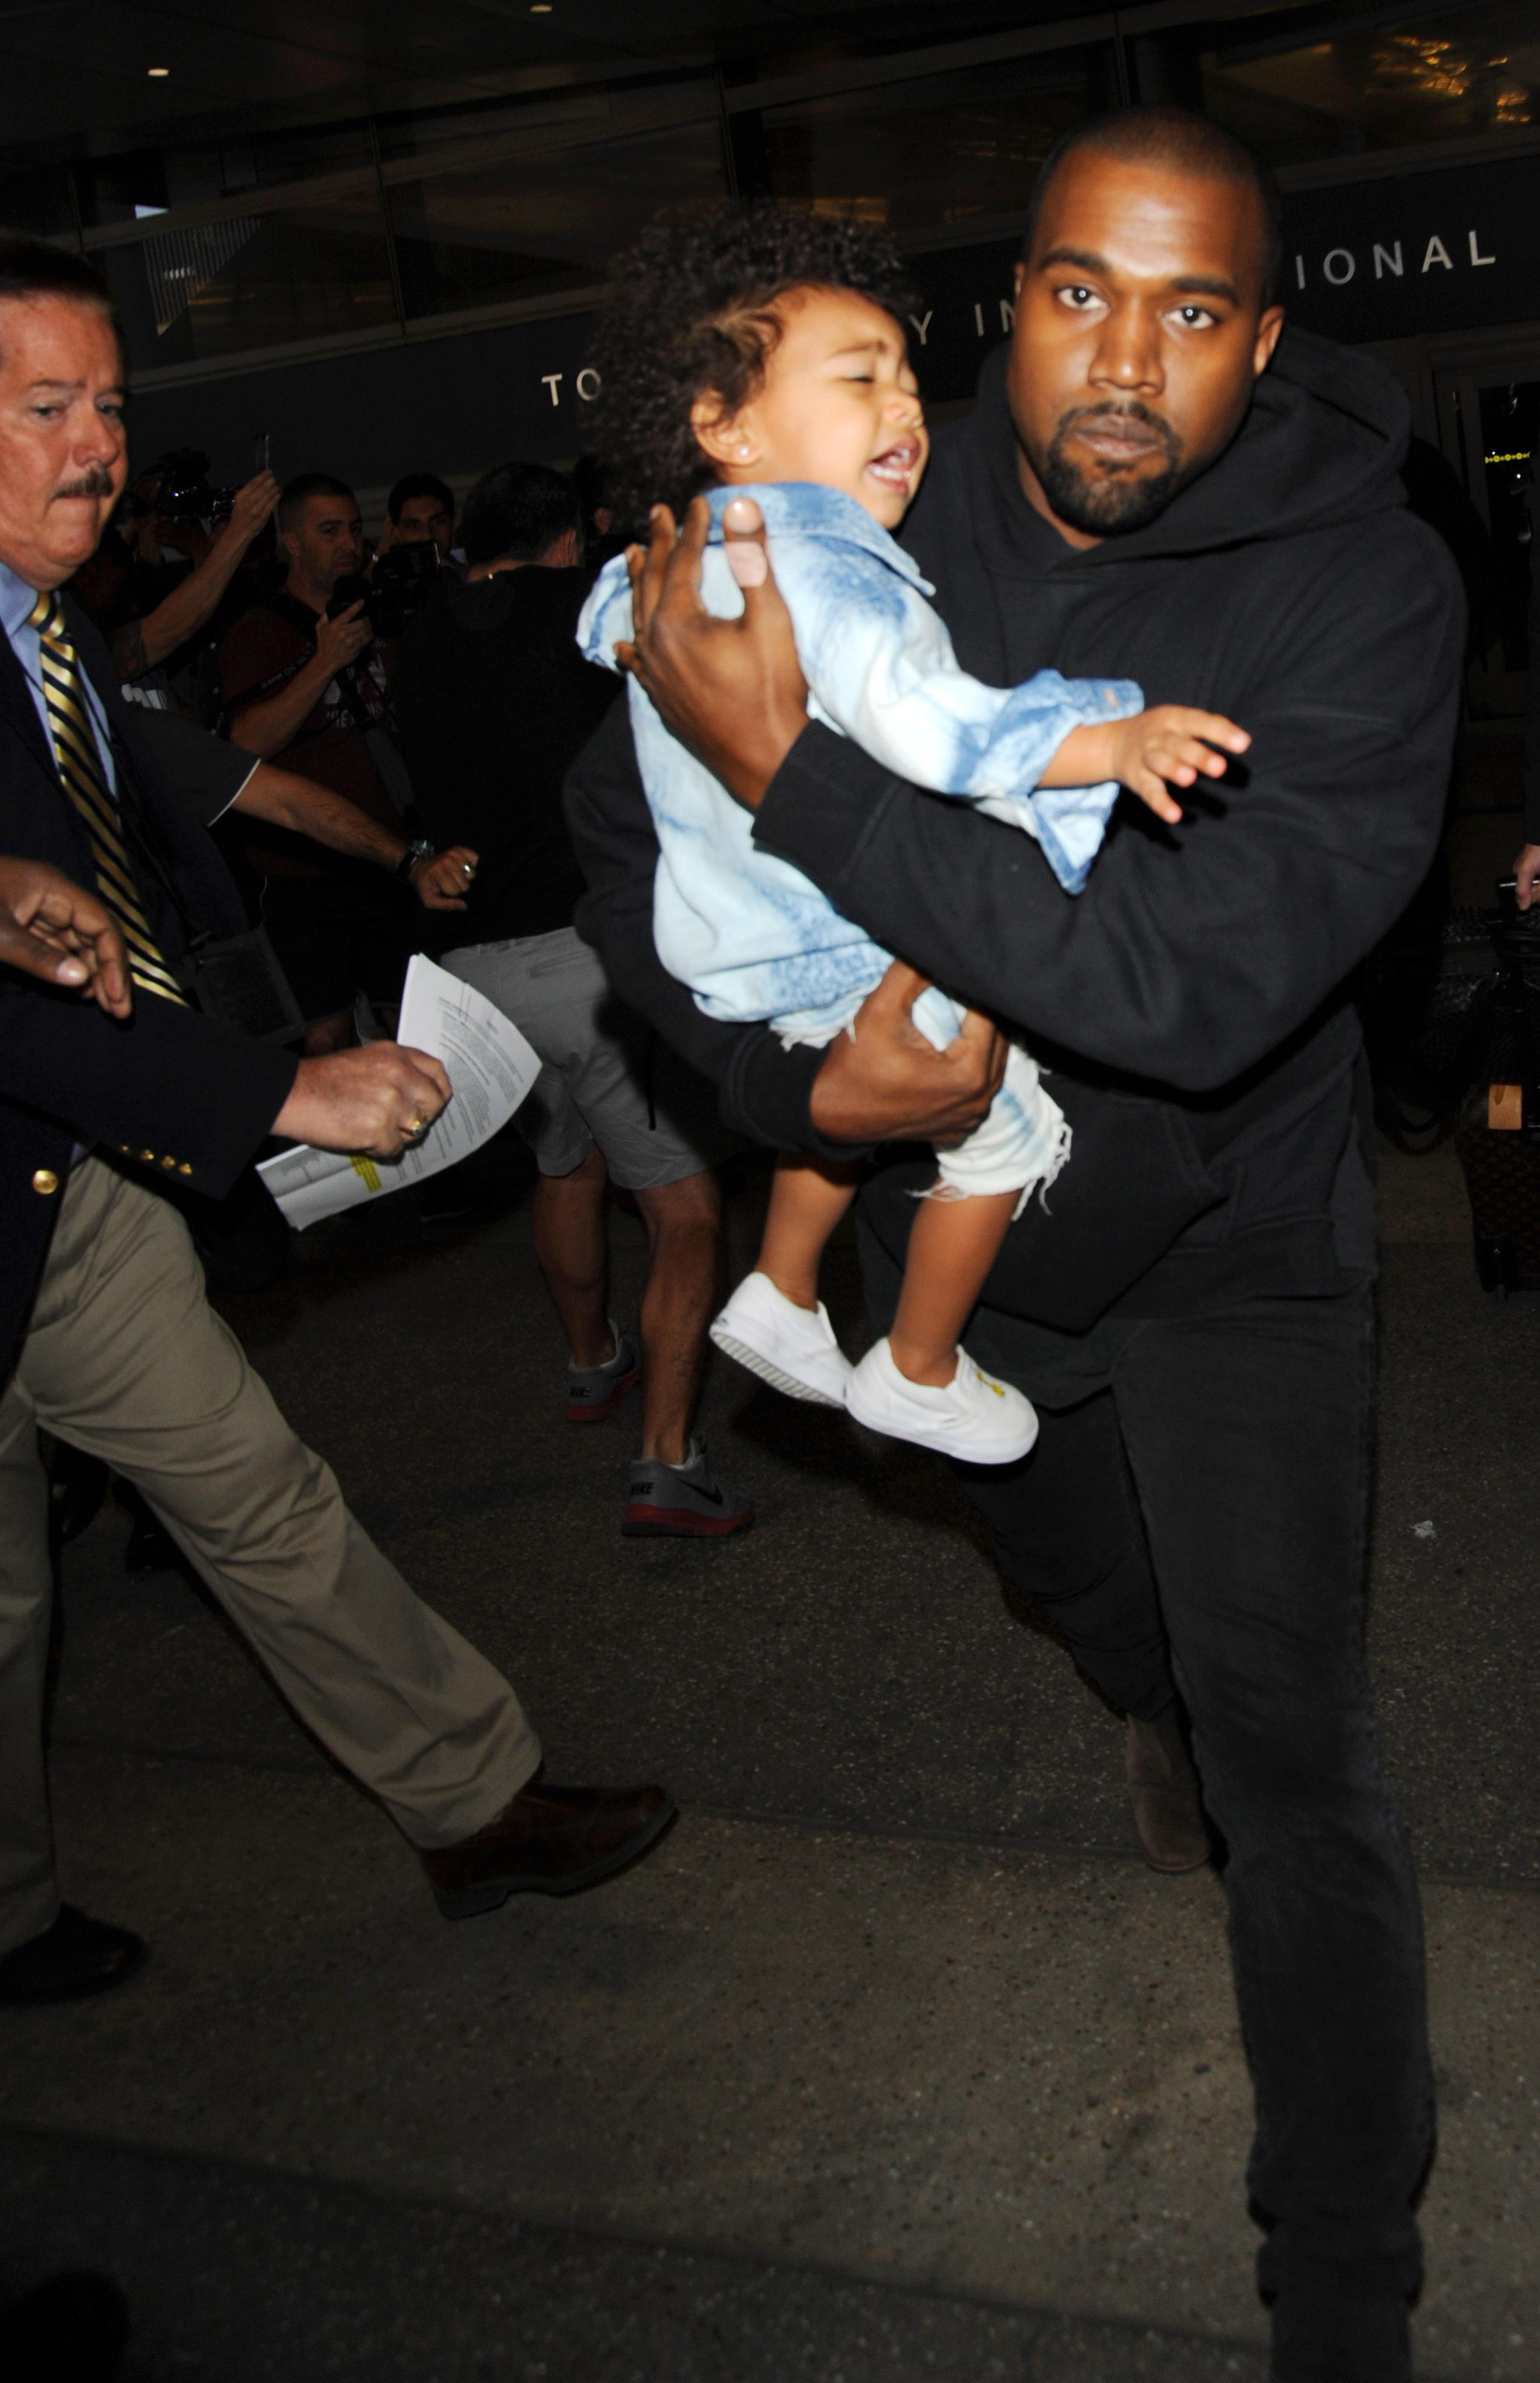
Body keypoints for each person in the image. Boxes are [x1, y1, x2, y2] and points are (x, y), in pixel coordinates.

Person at [567, 109, 1465, 2377]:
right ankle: (1139, 1670)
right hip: (965, 1248)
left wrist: (812, 783)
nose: (1124, 361)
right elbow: (616, 796)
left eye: (1191, 310)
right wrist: (790, 1091)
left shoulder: (1364, 585)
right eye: (1078, 293)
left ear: (1265, 338)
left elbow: (1195, 985)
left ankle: (1339, 2282)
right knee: (1093, 1584)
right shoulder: (868, 472)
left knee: (1303, 1759)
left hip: (1246, 1226)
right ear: (1014, 305)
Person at [0, 236, 675, 2010]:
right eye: (47, 409)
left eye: (112, 408)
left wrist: (409, 861)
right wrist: (278, 1087)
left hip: (74, 1202)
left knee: (265, 1501)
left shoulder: (47, 637)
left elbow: (222, 781)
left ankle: (472, 1804)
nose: (98, 449)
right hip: (74, 1120)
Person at [580, 204, 1248, 1464]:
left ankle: (780, 1293)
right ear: (725, 427)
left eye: (906, 376)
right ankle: (919, 1365)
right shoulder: (827, 569)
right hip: (843, 940)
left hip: (741, 951)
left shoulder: (670, 572)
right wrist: (1106, 738)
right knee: (1005, 1135)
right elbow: (934, 726)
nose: (903, 410)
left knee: (850, 1105)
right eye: (856, 379)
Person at [395, 462, 750, 1538]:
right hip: (585, 959)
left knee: (566, 1161)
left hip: (472, 965)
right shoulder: (587, 619)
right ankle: (667, 1459)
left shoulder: (419, 635)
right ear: (568, 542)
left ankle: (592, 1360)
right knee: (684, 1207)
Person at [218, 474, 417, 1053]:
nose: (348, 544)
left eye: (354, 529)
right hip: (301, 872)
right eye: (329, 531)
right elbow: (245, 744)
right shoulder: (258, 631)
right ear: (291, 543)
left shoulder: (378, 617)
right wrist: (324, 661)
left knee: (411, 1025)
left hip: (384, 858)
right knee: (325, 1038)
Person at [380, 470, 460, 570]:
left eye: (438, 522)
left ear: (454, 523)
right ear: (396, 531)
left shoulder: (472, 580)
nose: (428, 536)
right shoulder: (387, 584)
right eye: (414, 526)